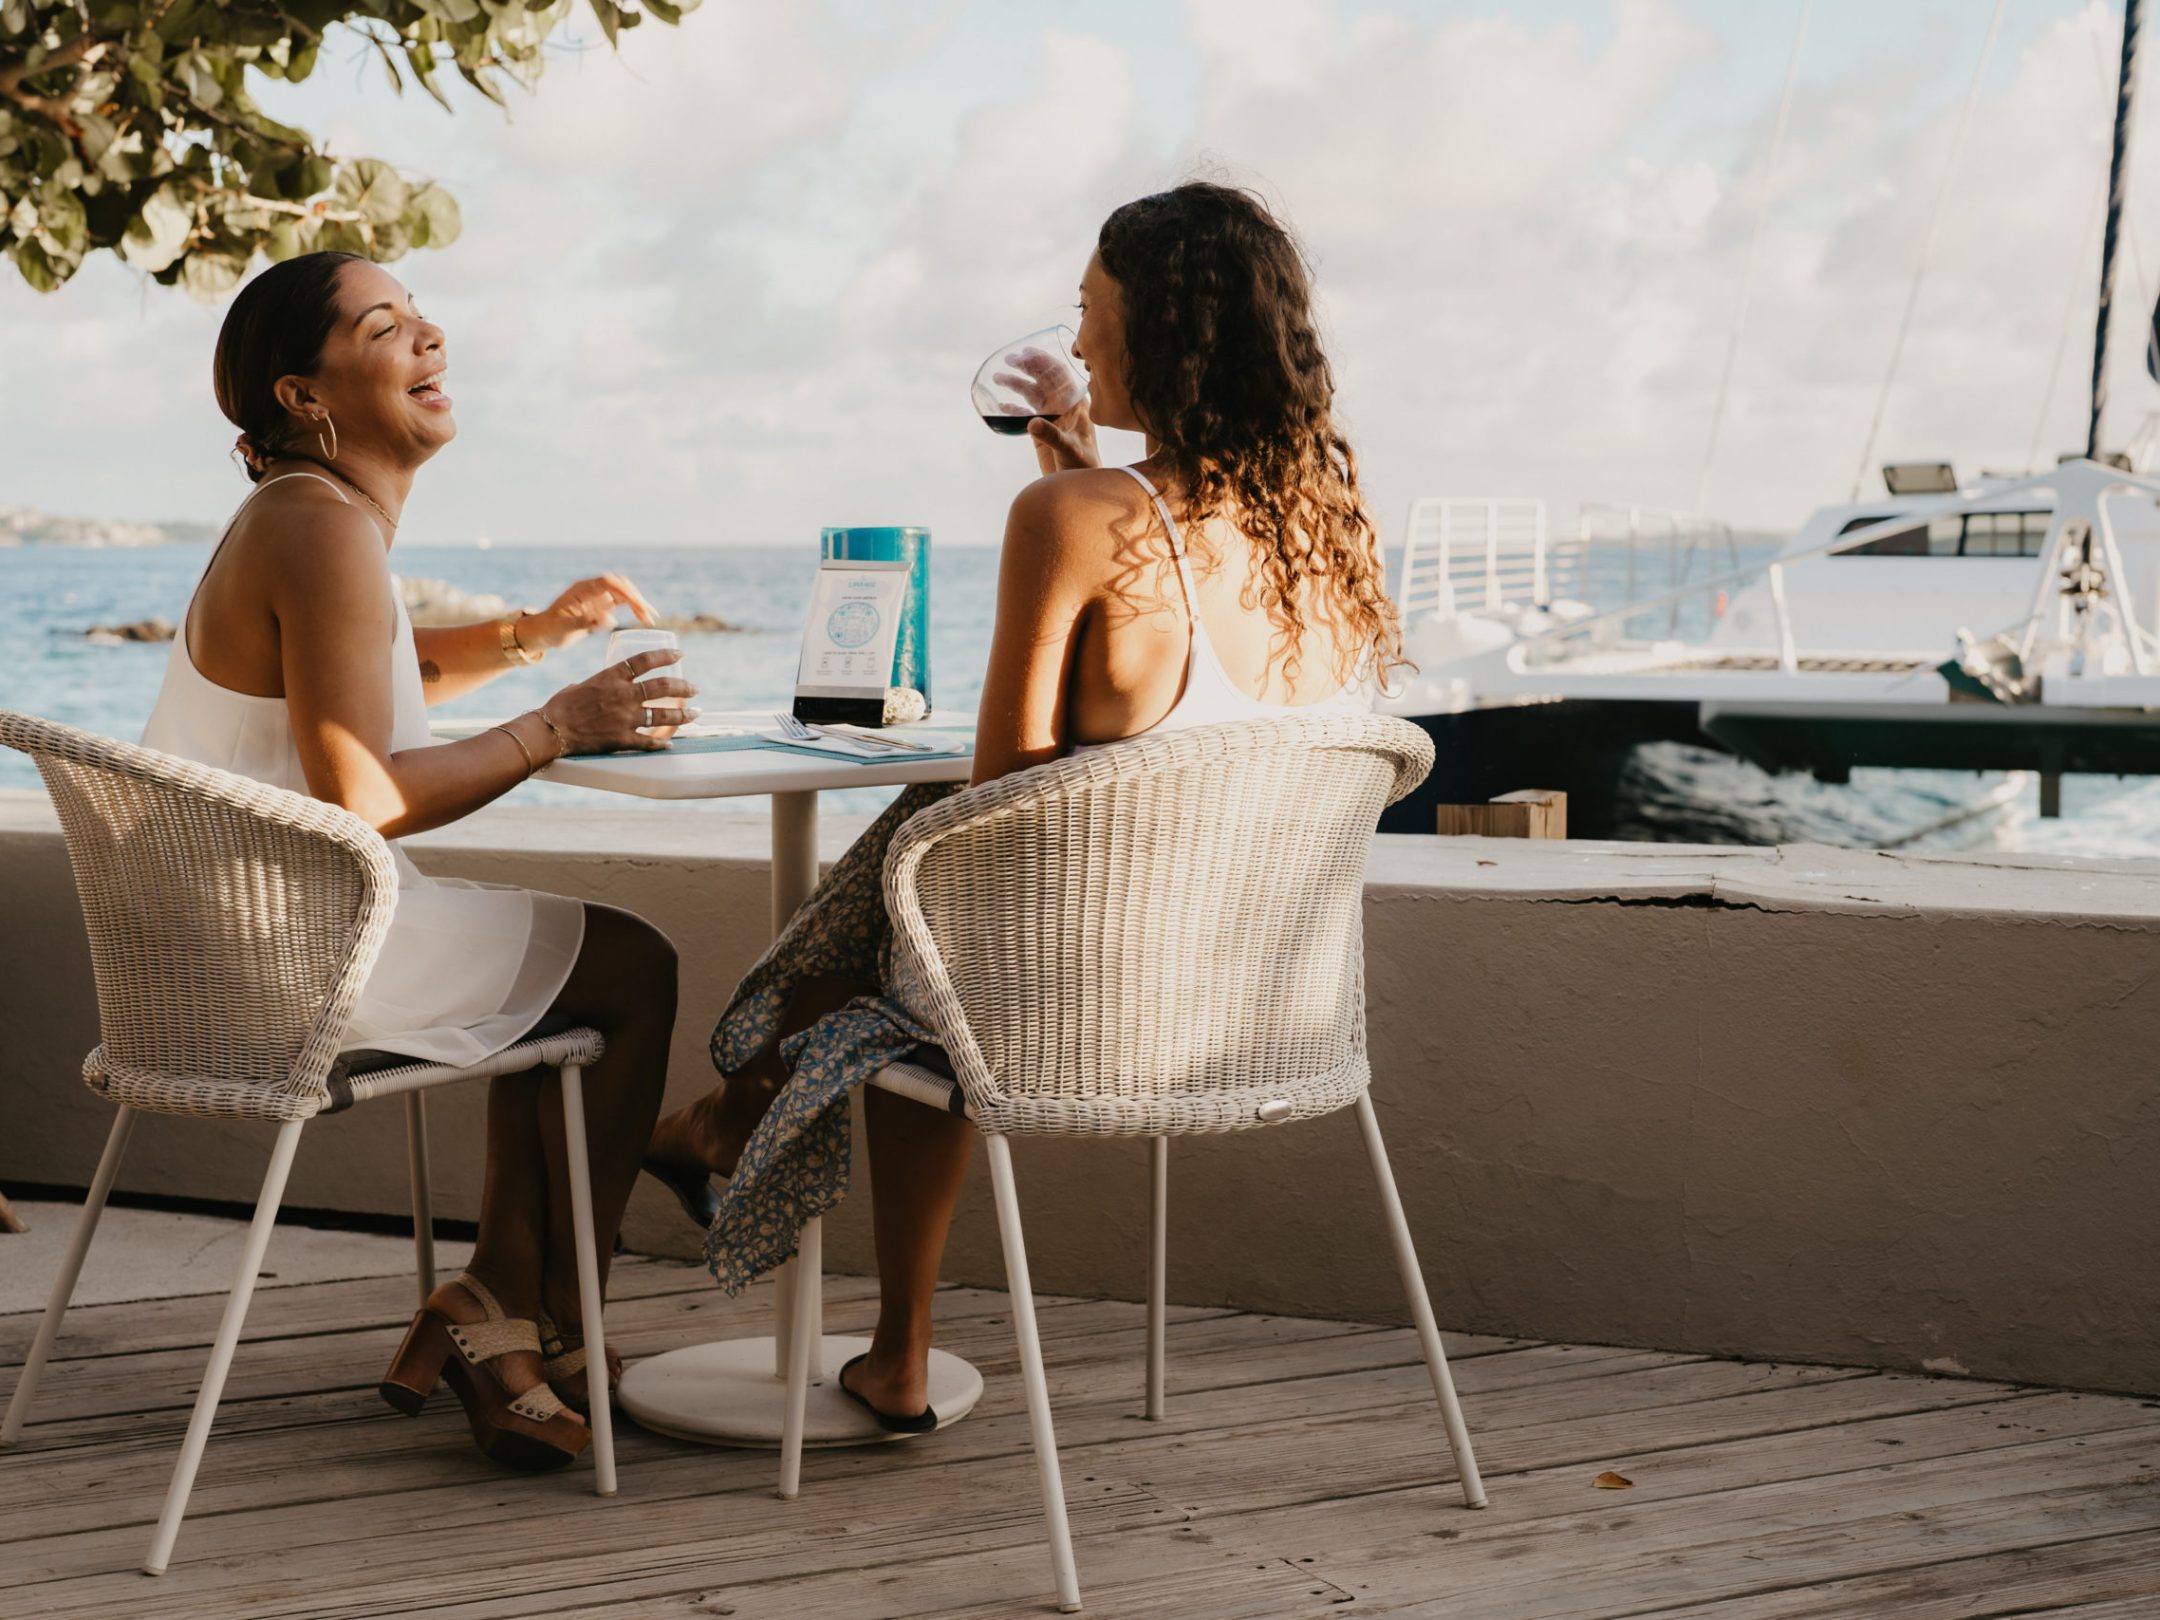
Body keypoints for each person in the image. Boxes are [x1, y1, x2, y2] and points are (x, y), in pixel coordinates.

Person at [642, 181, 1403, 1428]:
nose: (1083, 343)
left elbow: (998, 802)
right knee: (895, 961)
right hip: (1254, 1004)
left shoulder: (1070, 517)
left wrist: (1073, 489)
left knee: (894, 963)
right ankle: (732, 1136)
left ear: (1160, 332)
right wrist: (1090, 475)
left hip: (1063, 1010)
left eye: (1092, 312)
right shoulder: (1333, 534)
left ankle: (744, 1138)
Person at [143, 250, 698, 1471]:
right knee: (627, 966)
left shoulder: (304, 516)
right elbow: (370, 789)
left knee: (557, 962)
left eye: (422, 316)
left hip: (220, 941)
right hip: (295, 954)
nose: (430, 338)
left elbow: (378, 670)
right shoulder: (319, 529)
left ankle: (490, 1305)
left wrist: (530, 635)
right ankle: (547, 1322)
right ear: (305, 394)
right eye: (388, 325)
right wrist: (560, 723)